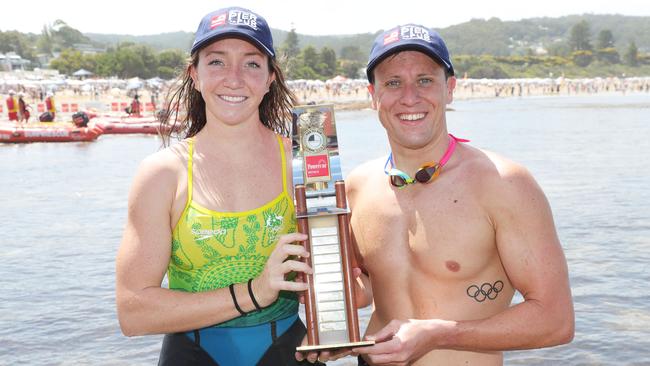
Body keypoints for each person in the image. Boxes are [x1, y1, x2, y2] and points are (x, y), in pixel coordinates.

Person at [337, 24, 574, 365]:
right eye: (392, 83)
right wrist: (321, 294)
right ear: (372, 95)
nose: (409, 97)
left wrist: (439, 334)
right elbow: (365, 292)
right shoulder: (357, 186)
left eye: (424, 80)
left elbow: (556, 321)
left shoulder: (503, 183)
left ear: (449, 89)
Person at [115, 7, 321, 366]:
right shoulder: (163, 173)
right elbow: (133, 312)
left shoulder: (305, 162)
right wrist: (253, 293)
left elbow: (351, 285)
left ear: (271, 77)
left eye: (252, 64)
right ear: (194, 74)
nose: (234, 78)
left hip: (288, 353)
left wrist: (336, 318)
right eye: (217, 62)